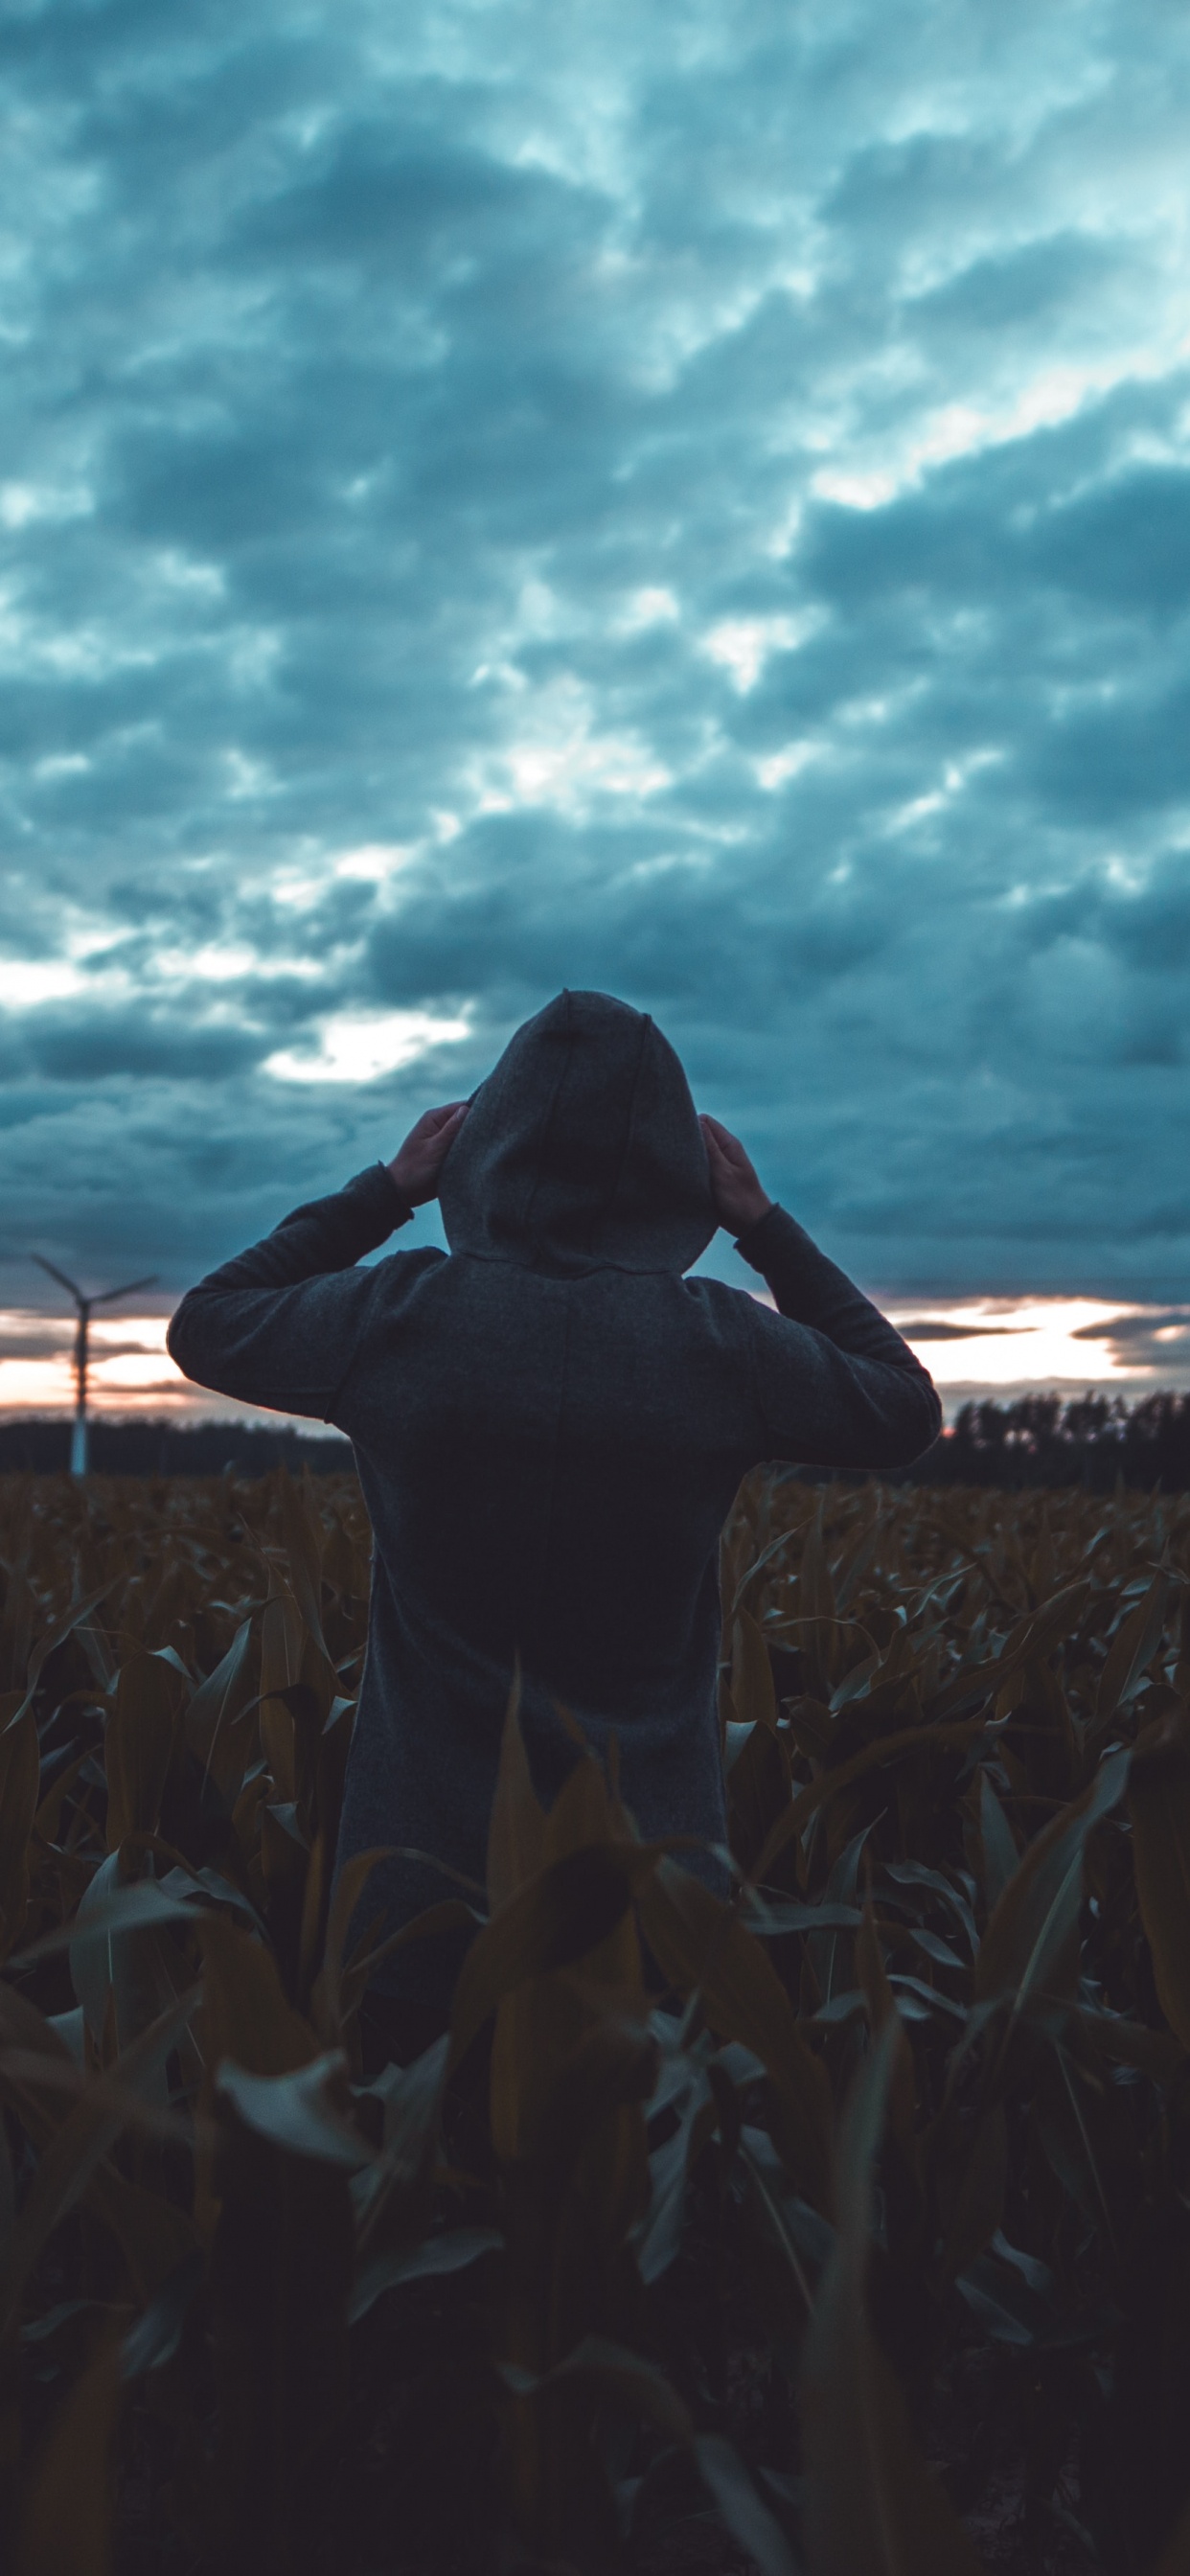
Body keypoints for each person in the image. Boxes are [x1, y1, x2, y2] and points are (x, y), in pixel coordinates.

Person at [167, 988, 941, 2064]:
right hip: (650, 1899)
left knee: (414, 2207)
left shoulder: (400, 1319)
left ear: (481, 1149)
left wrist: (384, 1194)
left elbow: (207, 1323)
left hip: (414, 1902)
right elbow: (903, 1406)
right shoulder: (718, 1347)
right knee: (622, 2217)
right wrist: (763, 1230)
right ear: (675, 1172)